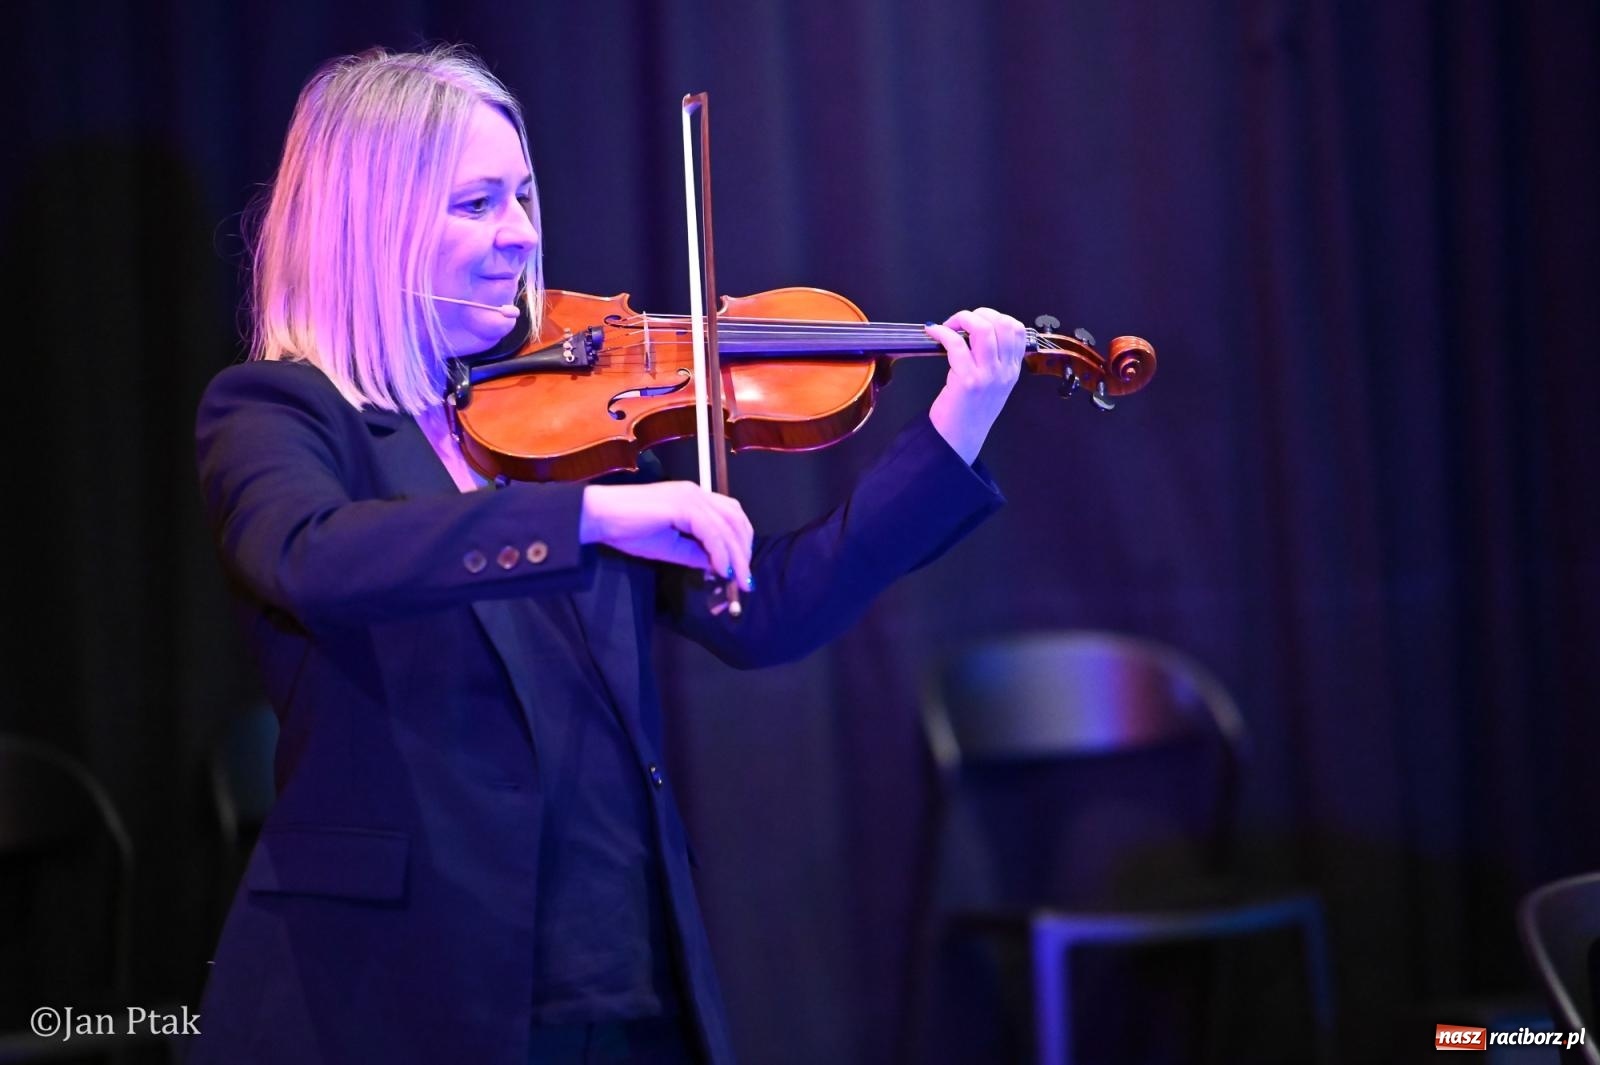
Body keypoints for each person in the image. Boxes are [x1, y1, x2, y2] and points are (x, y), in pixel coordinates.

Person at [192, 45, 1025, 1065]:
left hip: (618, 969)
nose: (518, 238)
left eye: (525, 197)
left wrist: (951, 434)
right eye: (474, 205)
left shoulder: (548, 417)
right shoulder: (281, 411)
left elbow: (764, 615)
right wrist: (587, 517)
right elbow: (307, 555)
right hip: (394, 986)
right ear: (368, 224)